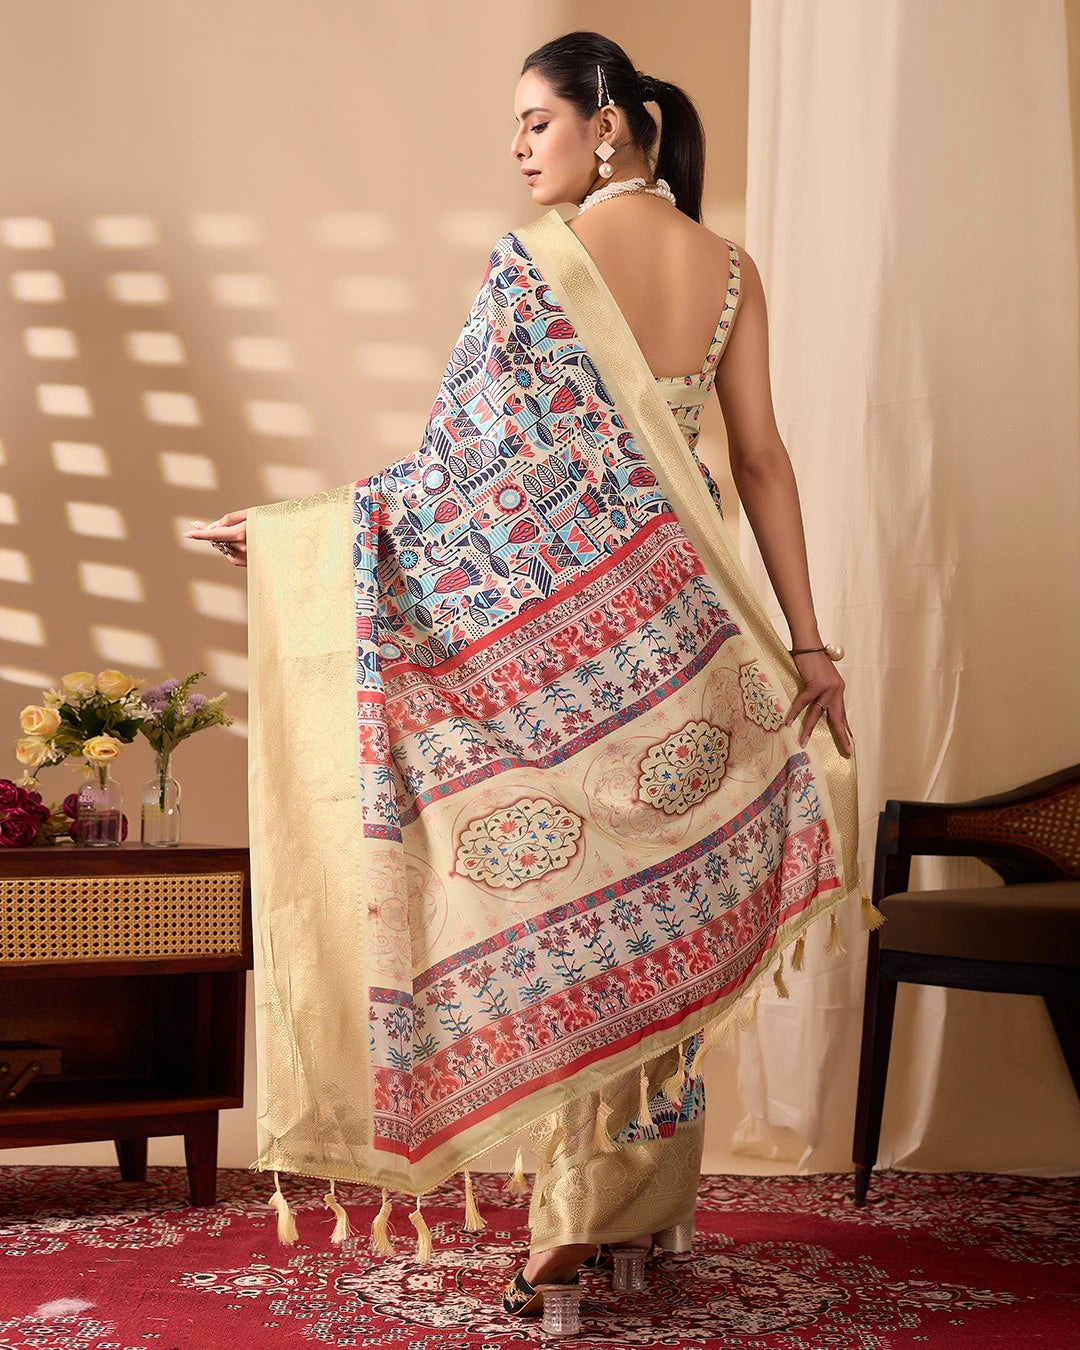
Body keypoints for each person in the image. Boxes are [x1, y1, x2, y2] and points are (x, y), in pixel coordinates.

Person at [186, 29, 866, 1338]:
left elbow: (461, 476)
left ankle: (568, 1235)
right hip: (690, 632)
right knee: (657, 911)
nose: (516, 149)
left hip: (570, 658)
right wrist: (811, 646)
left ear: (606, 124)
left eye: (535, 122)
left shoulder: (536, 264)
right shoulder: (730, 269)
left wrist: (294, 537)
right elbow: (764, 463)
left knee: (577, 923)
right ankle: (641, 1209)